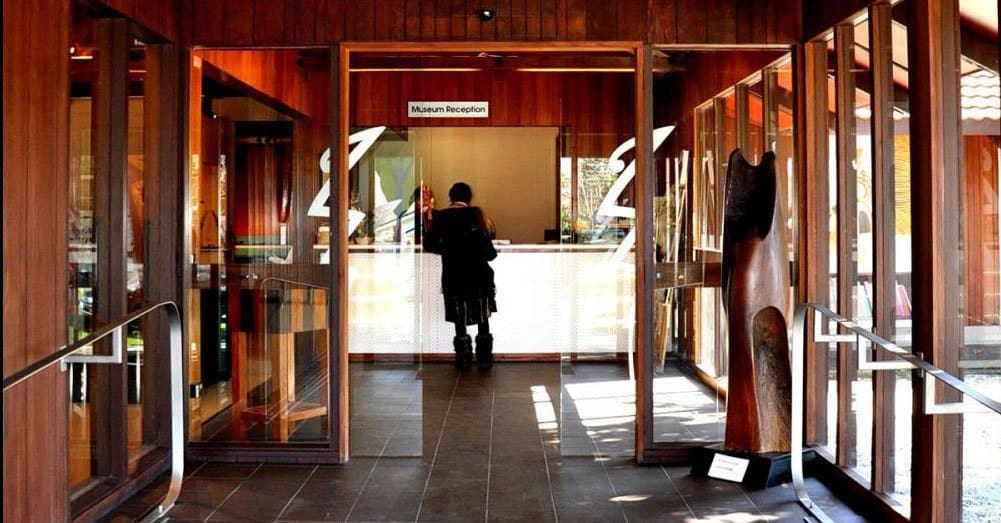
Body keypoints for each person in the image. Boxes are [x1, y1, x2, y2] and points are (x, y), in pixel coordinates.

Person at [423, 182, 498, 369]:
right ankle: (484, 359)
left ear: (450, 197)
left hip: (453, 276)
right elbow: (489, 252)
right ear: (469, 198)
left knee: (459, 318)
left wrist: (446, 247)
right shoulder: (478, 214)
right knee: (482, 317)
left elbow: (430, 245)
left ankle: (463, 359)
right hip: (479, 276)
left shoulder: (440, 217)